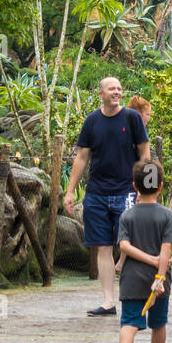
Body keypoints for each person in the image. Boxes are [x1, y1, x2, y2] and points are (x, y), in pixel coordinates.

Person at [64, 77, 150, 316]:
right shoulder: (92, 121)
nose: (117, 92)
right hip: (97, 193)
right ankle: (108, 301)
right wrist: (70, 191)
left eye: (120, 88)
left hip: (126, 191)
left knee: (130, 243)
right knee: (102, 247)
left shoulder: (132, 118)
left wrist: (145, 189)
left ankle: (133, 297)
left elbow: (145, 153)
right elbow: (82, 157)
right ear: (100, 93)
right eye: (112, 89)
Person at [116, 159, 172, 343]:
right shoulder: (167, 216)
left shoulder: (127, 215)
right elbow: (166, 249)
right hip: (157, 280)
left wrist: (147, 259)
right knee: (158, 324)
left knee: (129, 323)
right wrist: (159, 275)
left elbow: (124, 245)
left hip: (132, 279)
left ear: (135, 186)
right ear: (160, 186)